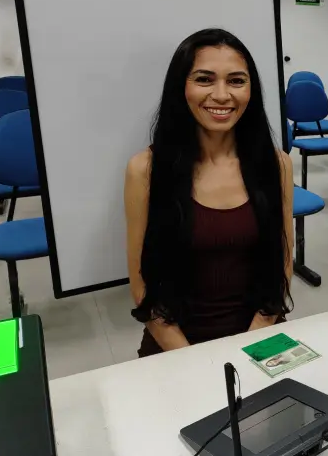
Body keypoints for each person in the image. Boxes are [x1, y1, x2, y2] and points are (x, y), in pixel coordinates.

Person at [125, 28, 294, 358]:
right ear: (181, 87)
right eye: (204, 79)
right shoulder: (145, 170)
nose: (221, 95)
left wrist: (250, 349)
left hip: (261, 335)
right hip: (176, 347)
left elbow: (282, 264)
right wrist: (197, 364)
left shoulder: (277, 165)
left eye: (236, 81)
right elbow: (142, 287)